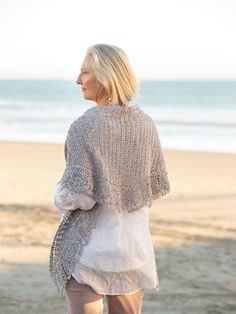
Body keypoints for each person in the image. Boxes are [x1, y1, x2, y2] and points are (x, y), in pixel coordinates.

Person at [49, 43, 171, 314]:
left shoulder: (83, 127)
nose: (77, 79)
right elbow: (153, 187)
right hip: (132, 250)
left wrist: (57, 194)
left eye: (85, 72)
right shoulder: (146, 124)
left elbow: (78, 196)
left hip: (89, 252)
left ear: (106, 76)